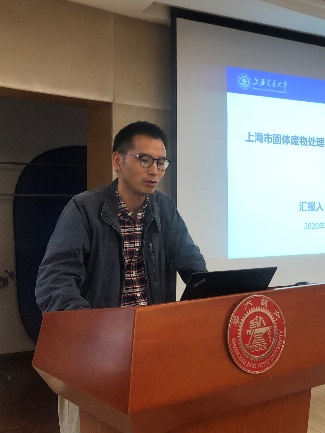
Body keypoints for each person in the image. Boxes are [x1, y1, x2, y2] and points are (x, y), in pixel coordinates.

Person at [35, 120, 207, 433]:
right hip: (97, 350)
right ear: (118, 160)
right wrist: (91, 329)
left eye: (161, 162)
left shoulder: (164, 208)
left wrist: (209, 298)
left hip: (150, 343)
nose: (154, 171)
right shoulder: (84, 209)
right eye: (144, 159)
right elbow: (54, 280)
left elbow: (192, 264)